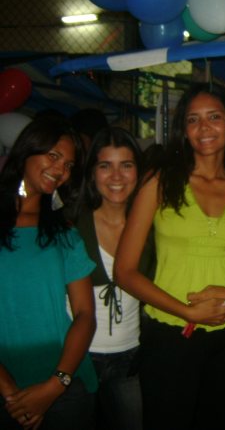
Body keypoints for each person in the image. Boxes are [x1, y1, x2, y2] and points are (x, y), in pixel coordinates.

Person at [114, 83, 225, 430]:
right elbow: (125, 271)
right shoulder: (159, 183)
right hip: (172, 331)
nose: (203, 127)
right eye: (193, 119)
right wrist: (187, 311)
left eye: (214, 117)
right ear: (184, 129)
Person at [0, 116, 97, 430]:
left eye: (68, 165)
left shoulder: (64, 232)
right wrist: (9, 392)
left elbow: (85, 314)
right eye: (53, 156)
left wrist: (56, 384)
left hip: (63, 384)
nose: (60, 170)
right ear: (27, 150)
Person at [72, 127, 155, 430]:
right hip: (77, 357)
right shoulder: (70, 222)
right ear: (92, 173)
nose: (116, 176)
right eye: (105, 166)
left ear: (138, 172)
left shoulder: (153, 225)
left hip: (130, 357)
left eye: (126, 165)